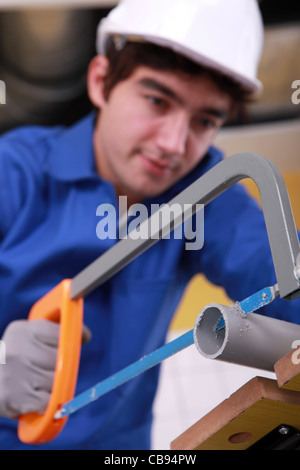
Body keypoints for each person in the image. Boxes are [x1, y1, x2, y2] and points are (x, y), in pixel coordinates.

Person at [0, 0, 299, 450]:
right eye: (158, 100)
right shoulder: (14, 171)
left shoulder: (206, 192)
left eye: (205, 120)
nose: (174, 144)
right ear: (101, 82)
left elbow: (272, 266)